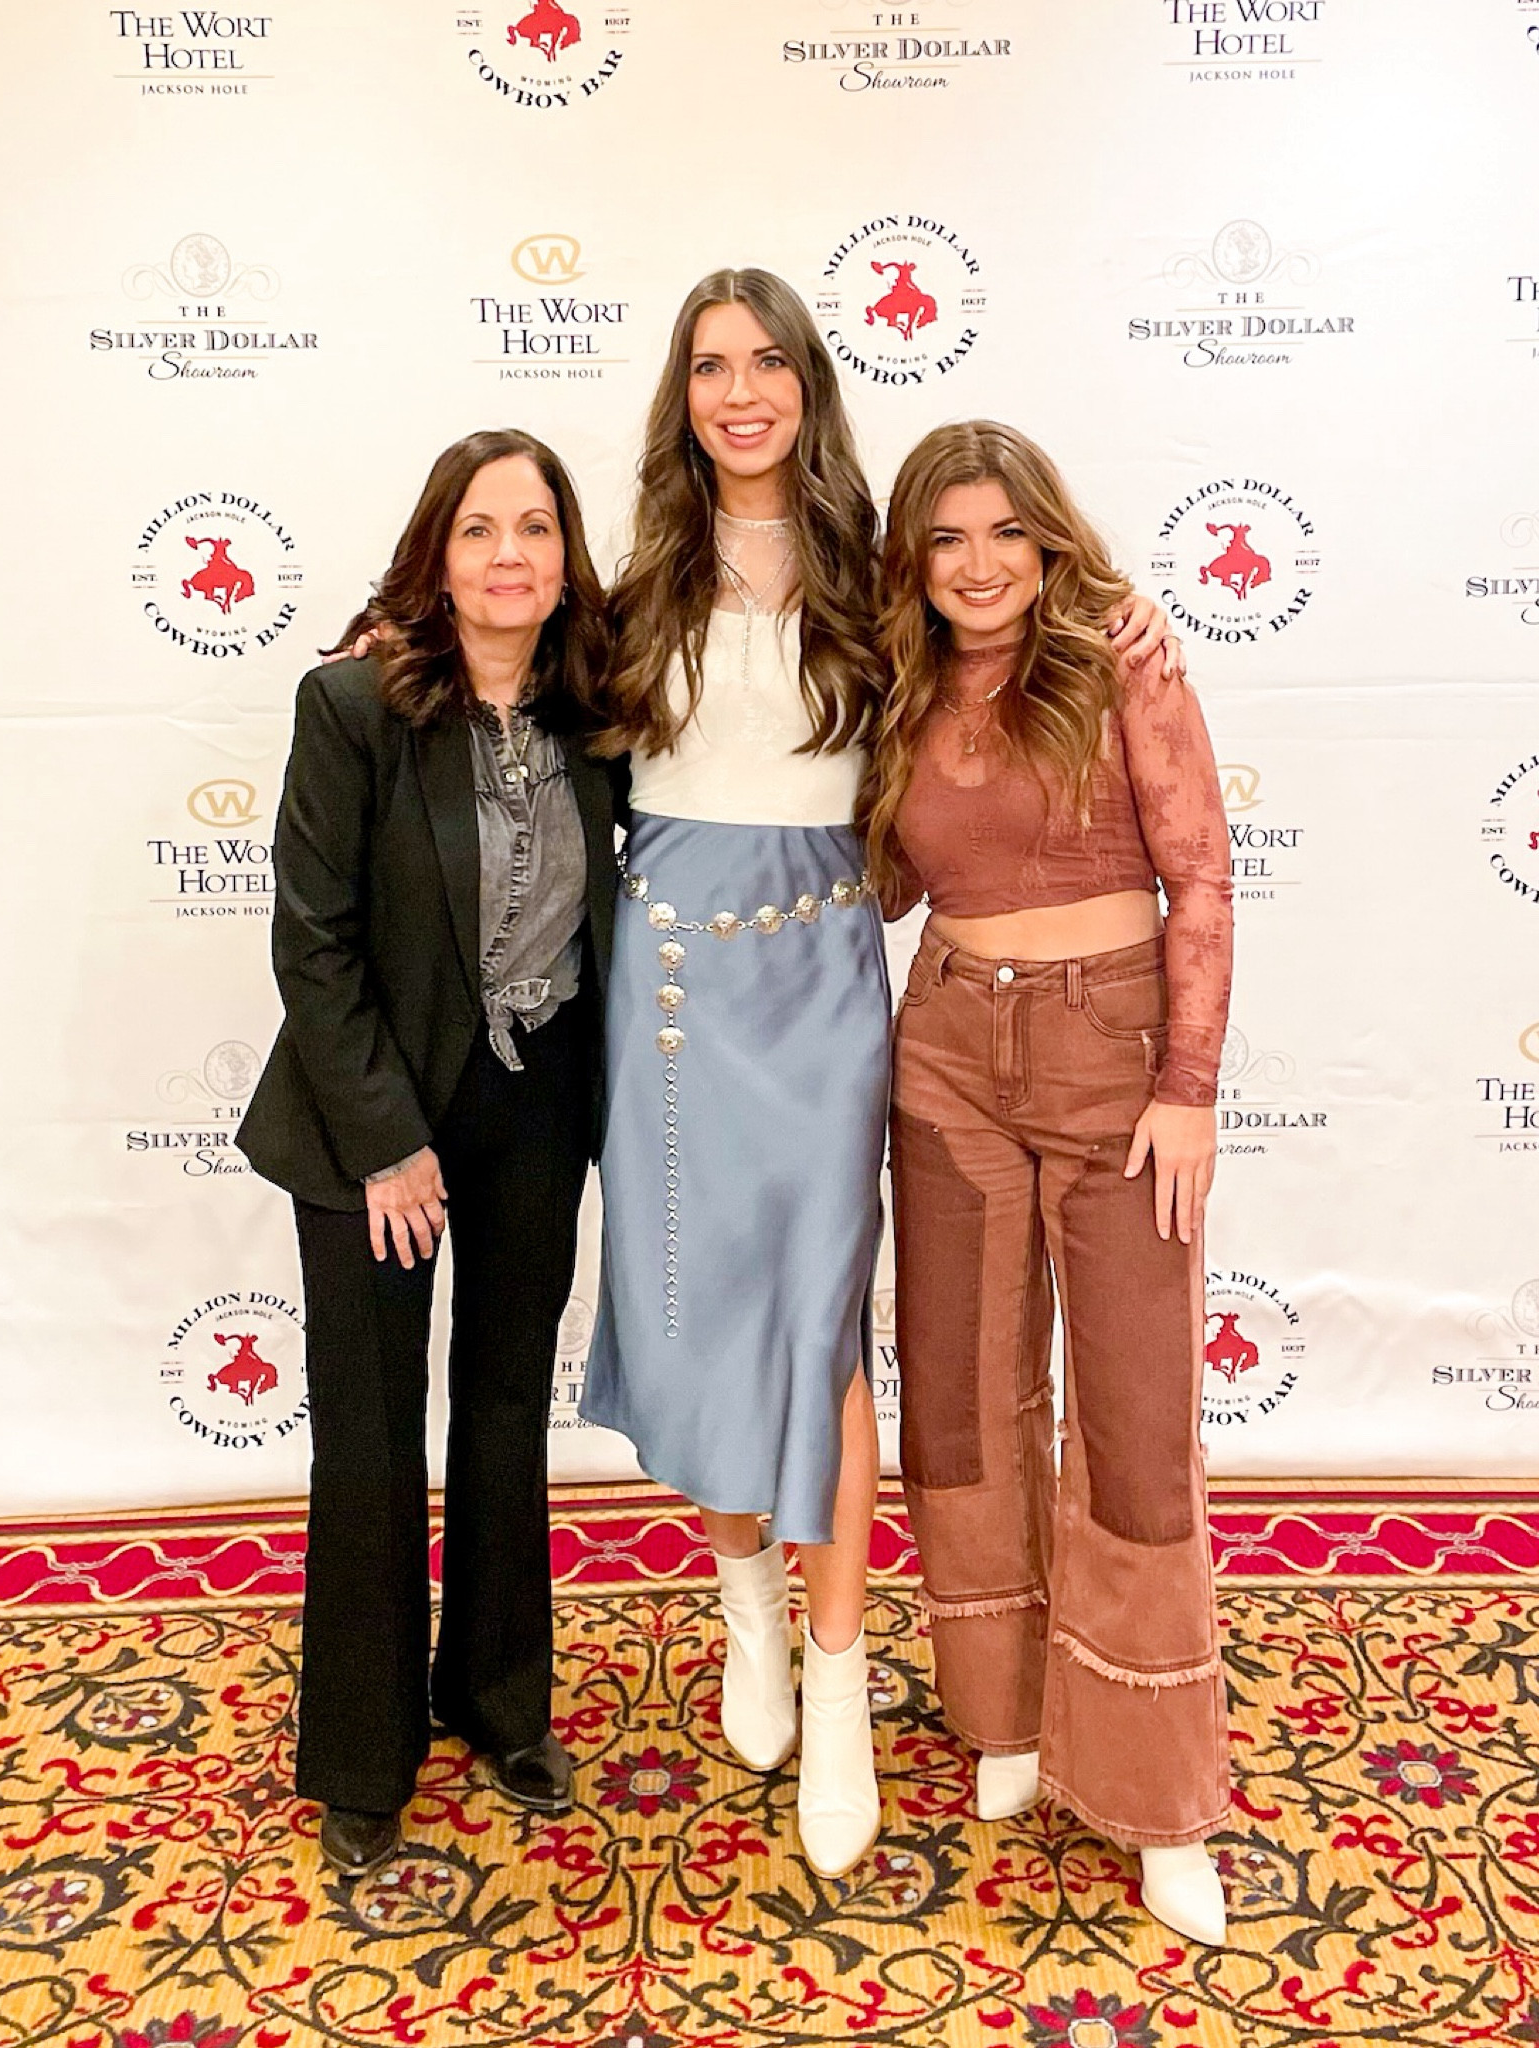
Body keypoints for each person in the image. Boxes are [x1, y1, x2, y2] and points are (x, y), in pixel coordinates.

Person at [578, 269, 1178, 1880]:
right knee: (695, 1307)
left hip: (830, 982)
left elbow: (1002, 651)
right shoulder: (626, 583)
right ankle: (752, 1615)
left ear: (810, 380)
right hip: (673, 988)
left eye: (768, 357)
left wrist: (1121, 612)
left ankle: (840, 1687)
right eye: (710, 363)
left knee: (822, 1321)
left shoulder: (874, 564)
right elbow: (492, 659)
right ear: (681, 394)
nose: (740, 389)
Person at [861, 421, 1234, 1945]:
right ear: (914, 560)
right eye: (945, 540)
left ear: (1048, 537)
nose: (979, 566)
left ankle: (1155, 1795)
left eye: (1003, 533)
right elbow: (876, 883)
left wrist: (1189, 1089)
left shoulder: (1119, 658)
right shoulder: (896, 690)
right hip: (944, 1051)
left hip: (1115, 1059)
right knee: (961, 1397)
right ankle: (1004, 1722)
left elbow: (1200, 870)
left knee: (1137, 1425)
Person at [237, 430, 621, 1879]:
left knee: (508, 1404)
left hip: (534, 1104)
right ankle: (361, 1746)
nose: (510, 554)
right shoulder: (351, 706)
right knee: (374, 1426)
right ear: (436, 554)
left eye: (536, 527)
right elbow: (312, 942)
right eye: (479, 529)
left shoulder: (604, 708)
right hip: (368, 1119)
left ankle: (498, 1699)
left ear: (567, 557)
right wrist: (390, 1142)